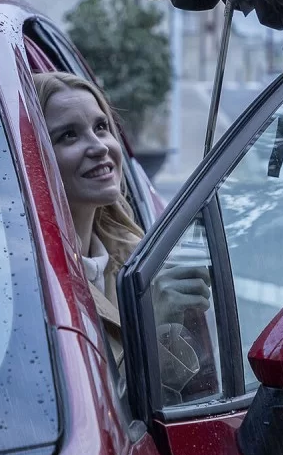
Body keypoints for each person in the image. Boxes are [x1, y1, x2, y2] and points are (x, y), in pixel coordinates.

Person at [33, 72, 211, 398]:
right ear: (32, 155)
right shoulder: (32, 287)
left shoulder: (139, 257)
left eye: (101, 127)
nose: (99, 147)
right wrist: (148, 322)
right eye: (69, 136)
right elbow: (106, 423)